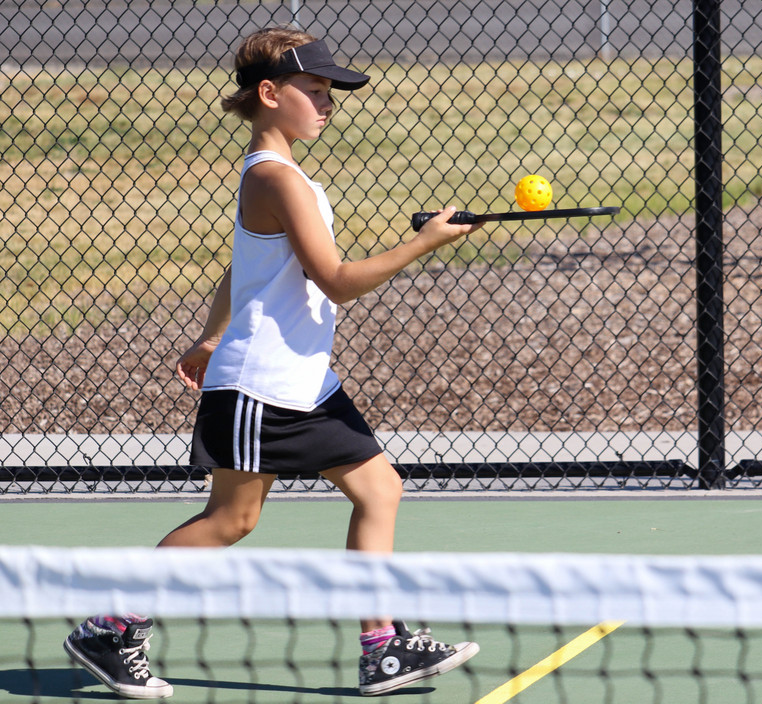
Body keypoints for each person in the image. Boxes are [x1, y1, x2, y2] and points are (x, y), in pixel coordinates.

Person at [63, 26, 481, 698]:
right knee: (231, 521)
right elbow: (335, 279)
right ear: (268, 93)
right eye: (314, 90)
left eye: (330, 92)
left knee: (380, 490)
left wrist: (207, 334)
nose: (327, 103)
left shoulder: (282, 177)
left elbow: (248, 266)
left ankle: (382, 648)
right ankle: (108, 629)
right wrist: (427, 244)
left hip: (306, 381)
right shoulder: (274, 177)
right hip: (264, 385)